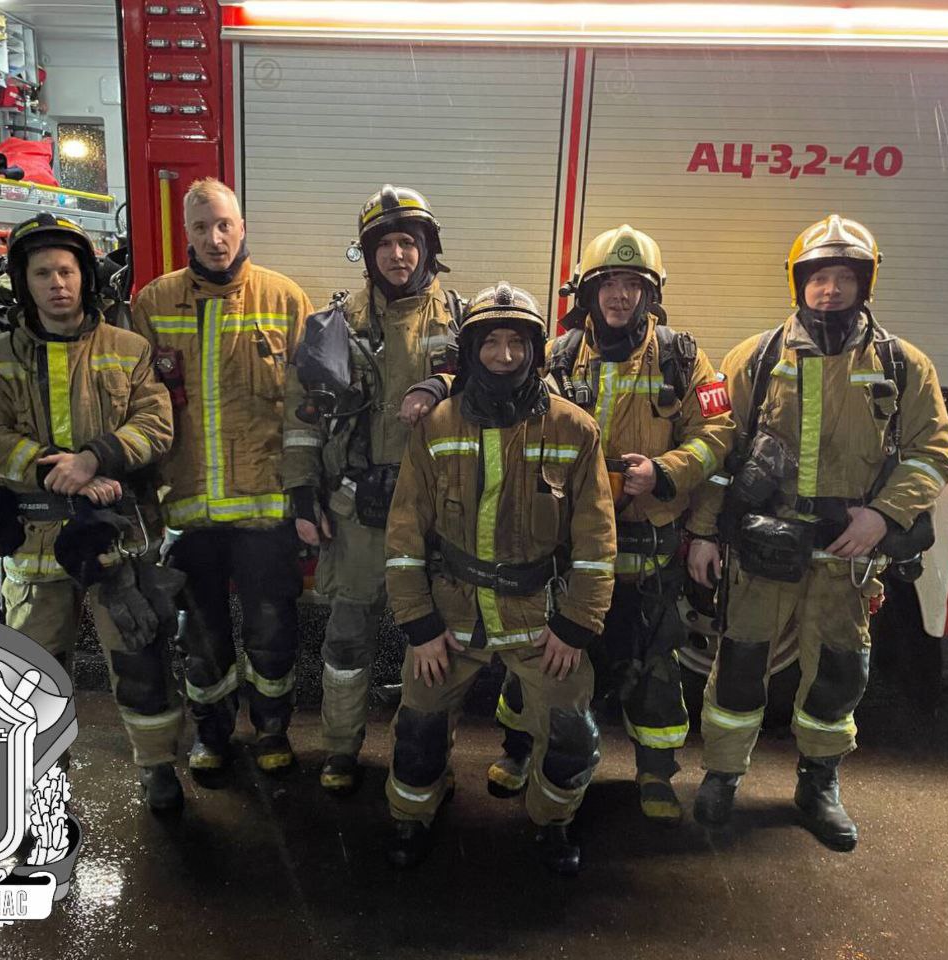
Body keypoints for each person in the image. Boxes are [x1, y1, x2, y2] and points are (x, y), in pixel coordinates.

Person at [686, 215, 948, 850]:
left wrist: (883, 516)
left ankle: (818, 786)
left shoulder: (902, 365)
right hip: (762, 550)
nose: (830, 290)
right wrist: (703, 533)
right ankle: (722, 775)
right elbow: (721, 452)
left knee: (837, 674)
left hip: (846, 556)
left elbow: (932, 453)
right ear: (798, 283)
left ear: (864, 283)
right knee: (739, 668)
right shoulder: (754, 358)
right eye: (818, 278)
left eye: (843, 278)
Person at [487, 225, 734, 826]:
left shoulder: (683, 358)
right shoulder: (557, 355)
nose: (620, 296)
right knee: (544, 657)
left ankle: (655, 773)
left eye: (632, 285)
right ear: (588, 292)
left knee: (653, 665)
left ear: (650, 294)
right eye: (609, 284)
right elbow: (515, 429)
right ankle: (520, 750)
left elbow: (718, 434)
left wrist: (666, 472)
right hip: (567, 550)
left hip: (646, 552)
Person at [383, 281, 617, 876]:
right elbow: (405, 534)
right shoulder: (436, 426)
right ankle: (413, 813)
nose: (505, 355)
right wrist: (419, 626)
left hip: (540, 617)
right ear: (471, 350)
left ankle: (552, 820)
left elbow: (596, 542)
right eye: (491, 342)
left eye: (518, 342)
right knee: (418, 728)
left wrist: (576, 626)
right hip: (452, 612)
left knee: (571, 734)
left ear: (535, 351)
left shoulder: (575, 429)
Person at [0, 213, 181, 809]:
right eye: (42, 273)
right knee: (29, 677)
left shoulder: (129, 350)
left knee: (140, 658)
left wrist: (93, 459)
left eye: (66, 270)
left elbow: (157, 425)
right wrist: (52, 471)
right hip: (34, 536)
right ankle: (40, 785)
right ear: (23, 282)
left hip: (116, 538)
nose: (57, 283)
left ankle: (158, 768)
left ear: (85, 276)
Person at [130, 178, 314, 775]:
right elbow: (136, 406)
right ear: (186, 233)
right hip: (189, 512)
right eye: (202, 227)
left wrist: (306, 496)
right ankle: (212, 735)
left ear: (242, 227)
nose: (215, 238)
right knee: (200, 637)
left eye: (224, 225)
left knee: (272, 632)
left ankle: (272, 731)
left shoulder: (285, 299)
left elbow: (309, 413)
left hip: (266, 512)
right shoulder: (154, 304)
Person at [282, 185, 461, 795]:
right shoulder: (334, 324)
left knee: (434, 641)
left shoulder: (463, 321)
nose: (397, 255)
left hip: (435, 515)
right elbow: (303, 419)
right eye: (384, 244)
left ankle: (426, 758)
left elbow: (498, 390)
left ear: (427, 248)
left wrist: (442, 385)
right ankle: (340, 749)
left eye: (408, 242)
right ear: (368, 253)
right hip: (355, 511)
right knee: (346, 636)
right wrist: (302, 496)